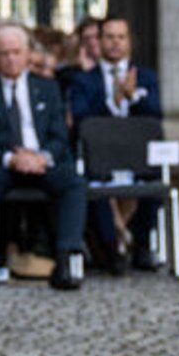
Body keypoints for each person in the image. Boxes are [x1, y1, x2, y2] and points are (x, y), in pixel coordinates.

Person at [0, 23, 89, 292]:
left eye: (16, 52)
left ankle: (65, 262)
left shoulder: (47, 87)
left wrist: (42, 158)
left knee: (74, 182)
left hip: (41, 162)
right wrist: (11, 158)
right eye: (4, 53)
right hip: (3, 164)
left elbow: (60, 136)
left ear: (27, 54)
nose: (11, 58)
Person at [69, 14, 165, 272]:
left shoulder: (145, 76)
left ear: (130, 42)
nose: (115, 43)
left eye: (121, 37)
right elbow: (81, 119)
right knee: (95, 186)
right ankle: (114, 248)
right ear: (99, 41)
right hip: (99, 160)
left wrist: (132, 96)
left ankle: (140, 244)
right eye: (109, 37)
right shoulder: (83, 80)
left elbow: (155, 116)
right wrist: (114, 100)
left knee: (154, 178)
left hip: (137, 158)